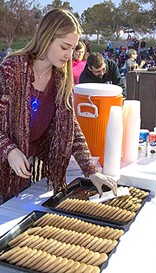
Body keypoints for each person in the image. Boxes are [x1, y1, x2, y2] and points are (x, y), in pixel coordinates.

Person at [0, 9, 117, 205]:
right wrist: (9, 150)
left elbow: (71, 129)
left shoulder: (60, 79)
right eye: (64, 47)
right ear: (47, 38)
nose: (69, 55)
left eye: (73, 48)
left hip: (24, 178)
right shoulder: (12, 70)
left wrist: (92, 172)